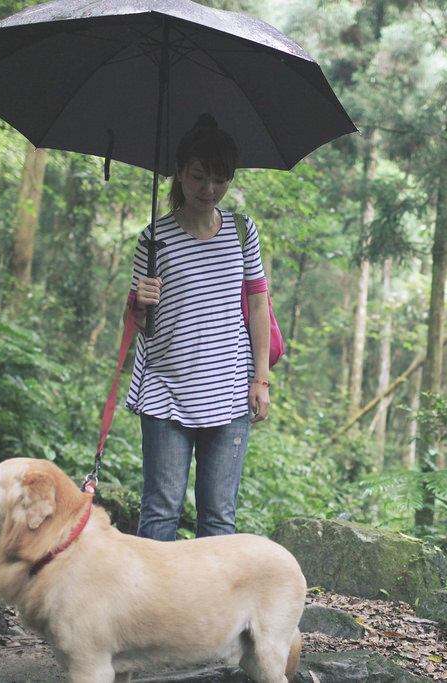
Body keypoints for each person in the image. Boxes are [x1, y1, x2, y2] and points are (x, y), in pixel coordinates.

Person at [125, 113, 272, 542]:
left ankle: (211, 611)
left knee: (219, 518)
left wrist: (260, 379)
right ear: (179, 172)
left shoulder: (243, 233)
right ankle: (151, 609)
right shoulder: (153, 240)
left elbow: (259, 306)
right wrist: (141, 302)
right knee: (160, 512)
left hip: (227, 391)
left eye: (221, 179)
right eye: (199, 176)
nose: (209, 189)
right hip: (165, 391)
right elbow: (141, 327)